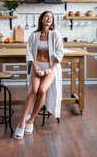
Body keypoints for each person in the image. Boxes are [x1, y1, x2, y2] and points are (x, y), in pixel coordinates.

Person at [14, 11, 64, 140]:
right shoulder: (34, 35)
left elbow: (59, 53)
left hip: (51, 69)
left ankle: (30, 120)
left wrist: (50, 69)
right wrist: (34, 65)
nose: (49, 19)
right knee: (34, 91)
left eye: (51, 17)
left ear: (52, 21)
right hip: (37, 67)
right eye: (46, 16)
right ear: (41, 19)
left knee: (42, 90)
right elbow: (29, 52)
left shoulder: (55, 34)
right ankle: (22, 122)